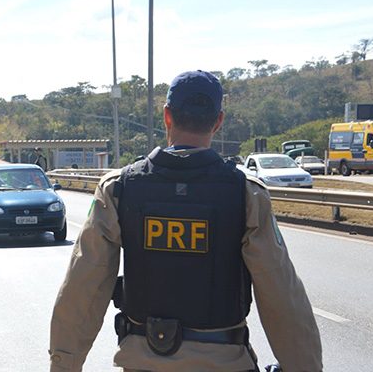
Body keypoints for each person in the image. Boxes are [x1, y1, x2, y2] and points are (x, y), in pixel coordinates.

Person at [49, 70, 322, 372]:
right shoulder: (246, 194)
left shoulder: (118, 189)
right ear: (218, 121)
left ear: (167, 116)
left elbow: (83, 287)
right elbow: (283, 296)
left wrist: (64, 364)